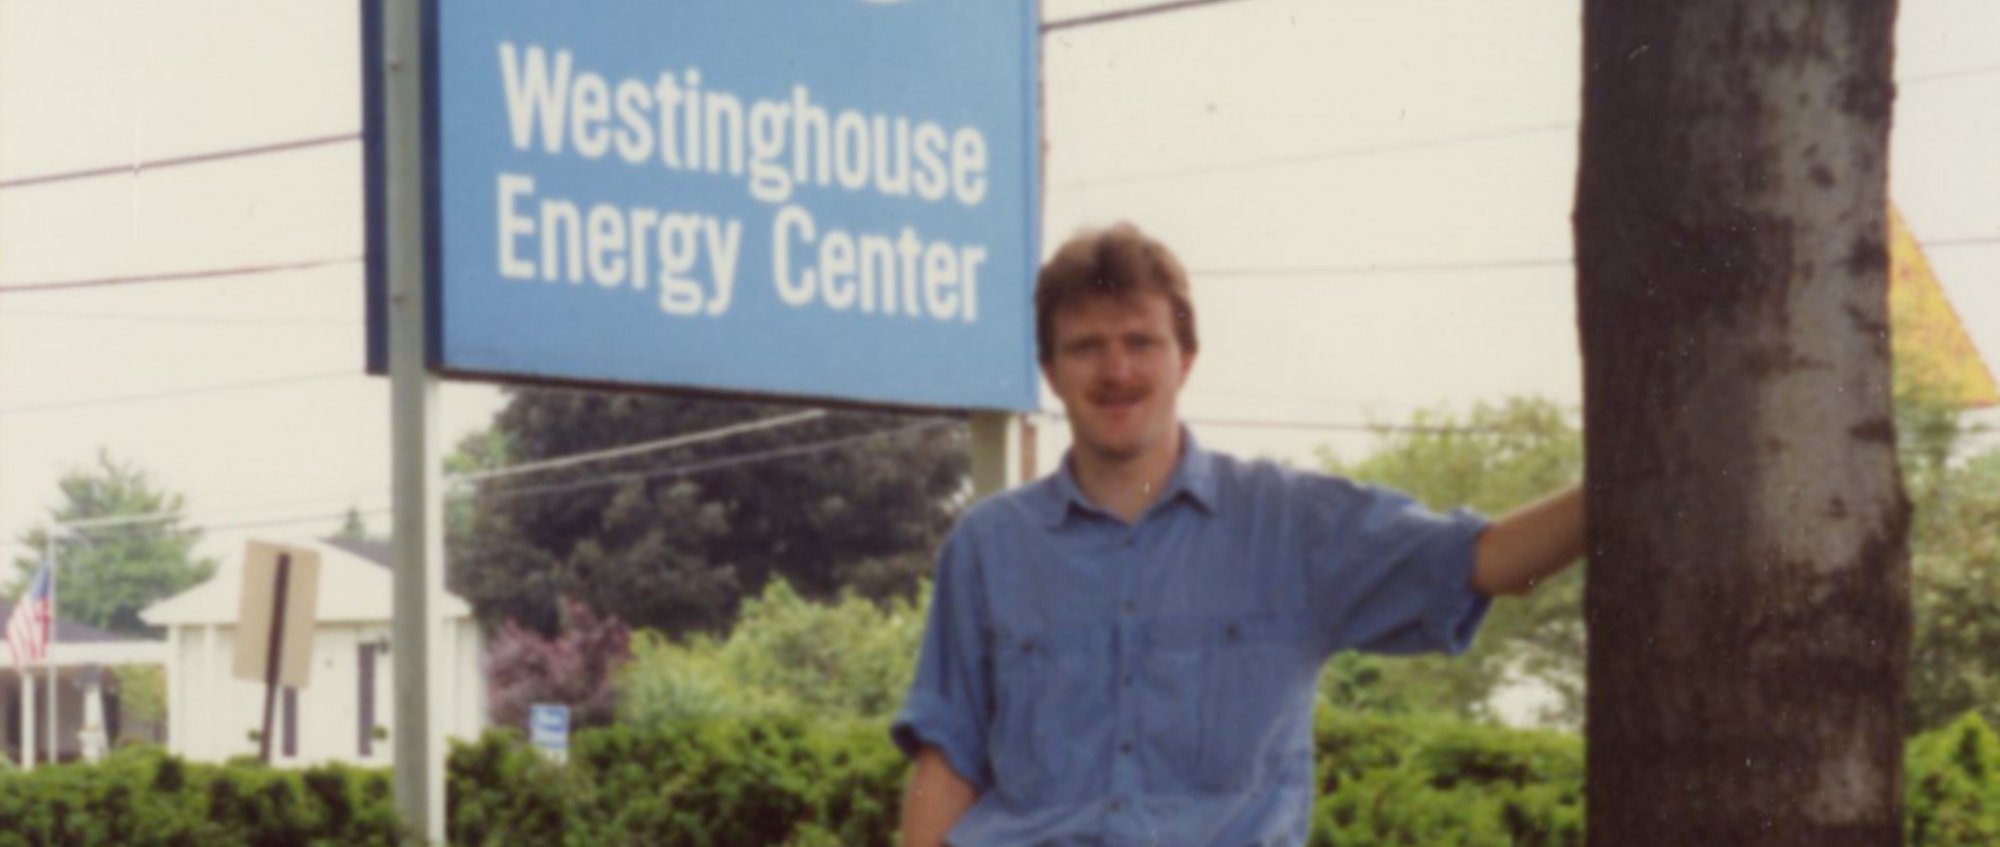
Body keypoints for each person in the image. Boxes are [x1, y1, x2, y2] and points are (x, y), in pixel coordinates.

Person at [891, 223, 1586, 847]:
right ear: (1050, 372)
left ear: (1184, 359)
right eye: (1086, 347)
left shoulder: (1290, 525)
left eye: (1141, 341)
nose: (1117, 371)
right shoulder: (989, 547)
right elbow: (949, 757)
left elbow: (1484, 560)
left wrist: (1632, 478)